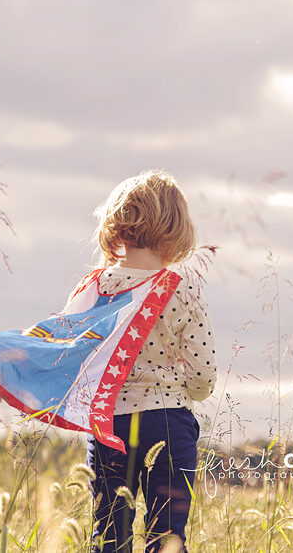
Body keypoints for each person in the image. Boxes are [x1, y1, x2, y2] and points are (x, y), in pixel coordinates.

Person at [77, 170, 217, 553]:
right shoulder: (182, 288)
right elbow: (203, 376)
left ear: (116, 224)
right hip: (168, 422)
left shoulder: (93, 289)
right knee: (167, 536)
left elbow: (73, 353)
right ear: (177, 228)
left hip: (109, 425)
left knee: (108, 533)